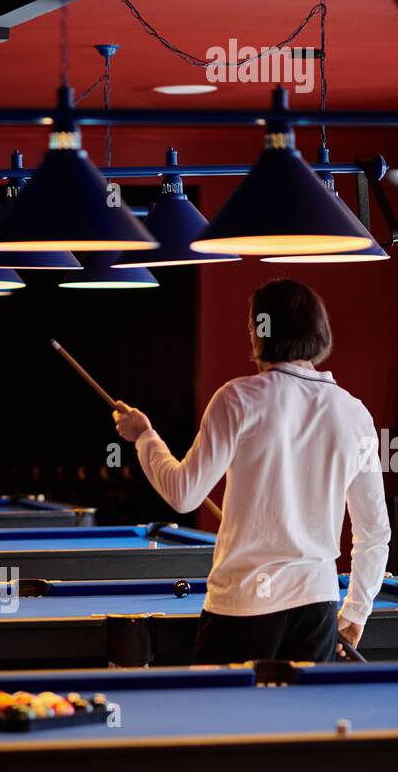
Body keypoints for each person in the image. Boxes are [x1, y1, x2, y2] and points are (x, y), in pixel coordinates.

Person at [112, 278, 390, 663]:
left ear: (261, 334)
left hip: (240, 608)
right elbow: (375, 531)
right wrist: (356, 611)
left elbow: (182, 493)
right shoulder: (354, 412)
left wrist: (144, 437)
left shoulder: (238, 398)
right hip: (316, 607)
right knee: (302, 724)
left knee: (220, 722)